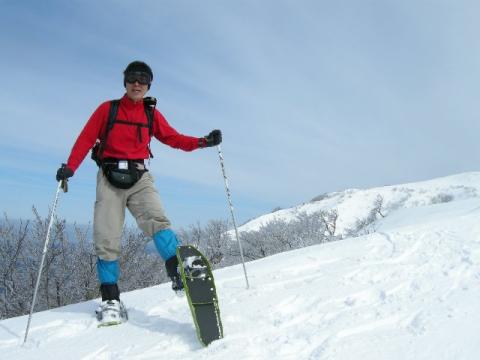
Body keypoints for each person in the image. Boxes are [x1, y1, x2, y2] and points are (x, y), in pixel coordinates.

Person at [56, 61, 222, 323]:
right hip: (110, 176)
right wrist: (70, 167)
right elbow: (86, 138)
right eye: (133, 78)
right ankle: (111, 299)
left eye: (143, 80)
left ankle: (179, 271)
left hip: (140, 176)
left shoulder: (151, 114)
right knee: (107, 237)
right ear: (125, 81)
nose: (137, 84)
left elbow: (174, 138)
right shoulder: (107, 109)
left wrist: (204, 142)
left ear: (148, 86)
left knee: (157, 220)